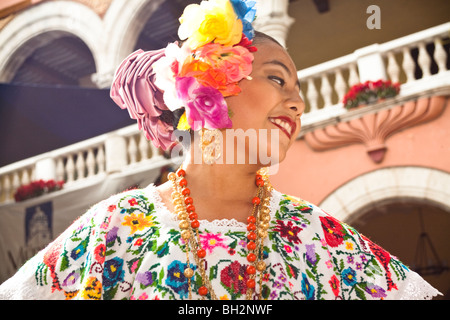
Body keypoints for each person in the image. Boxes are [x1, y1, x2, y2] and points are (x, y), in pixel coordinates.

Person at [0, 0, 440, 300]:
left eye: (298, 89)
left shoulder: (313, 234)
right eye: (276, 78)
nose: (298, 102)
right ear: (209, 84)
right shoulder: (117, 227)